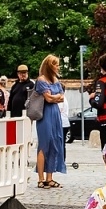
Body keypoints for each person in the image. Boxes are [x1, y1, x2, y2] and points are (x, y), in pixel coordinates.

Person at [35, 54, 67, 187]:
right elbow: (48, 99)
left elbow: (61, 98)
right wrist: (55, 97)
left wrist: (54, 97)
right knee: (44, 144)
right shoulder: (41, 80)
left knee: (55, 142)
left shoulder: (55, 80)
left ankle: (49, 177)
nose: (58, 67)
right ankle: (40, 178)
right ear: (50, 66)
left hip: (55, 114)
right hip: (45, 114)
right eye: (56, 64)